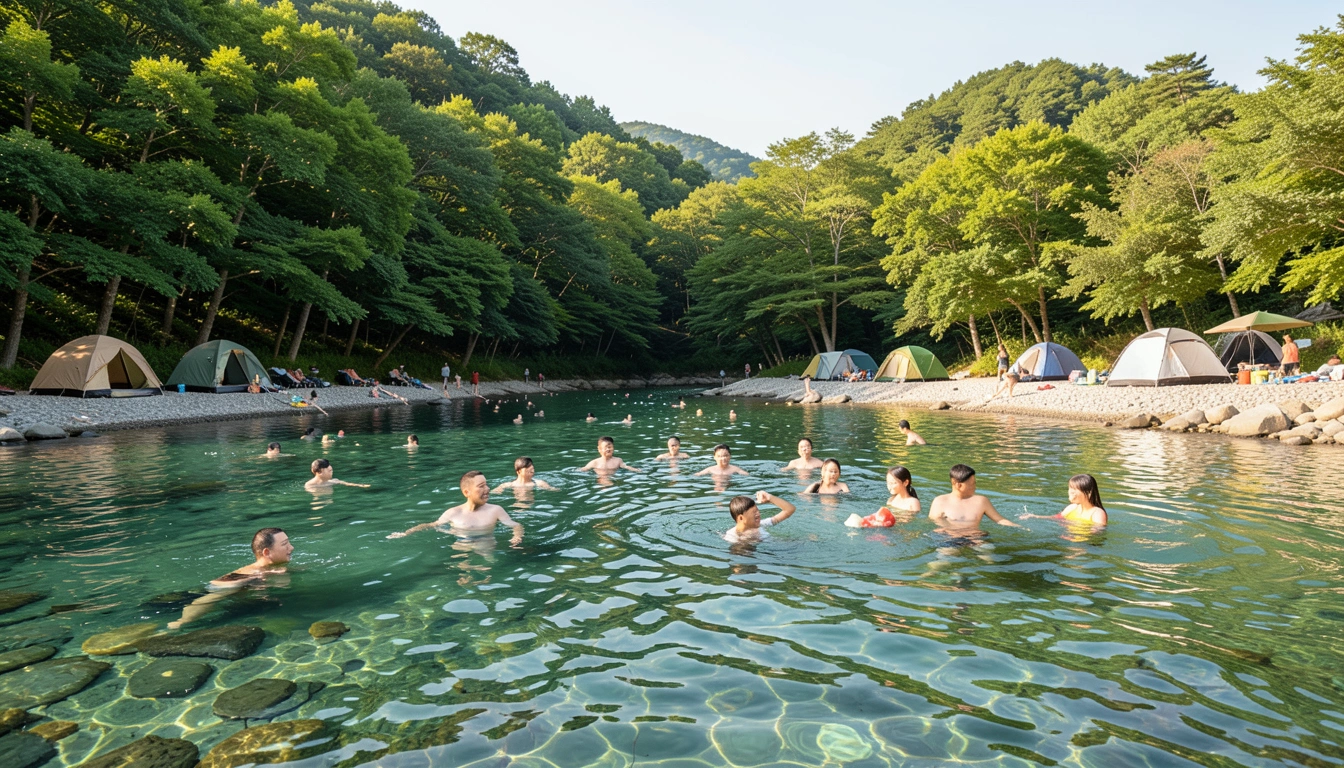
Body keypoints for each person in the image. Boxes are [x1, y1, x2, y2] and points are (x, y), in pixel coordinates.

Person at [169, 528, 294, 628]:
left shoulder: (266, 571)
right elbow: (210, 598)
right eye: (285, 544)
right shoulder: (246, 576)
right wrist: (182, 622)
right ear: (266, 552)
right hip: (190, 597)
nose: (291, 548)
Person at [388, 470, 523, 544]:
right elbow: (432, 525)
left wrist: (516, 537)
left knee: (487, 559)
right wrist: (406, 533)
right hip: (462, 544)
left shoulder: (496, 510)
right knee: (460, 562)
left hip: (486, 543)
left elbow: (515, 525)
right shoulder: (453, 513)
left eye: (486, 484)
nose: (487, 489)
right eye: (481, 486)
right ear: (466, 492)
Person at [928, 464, 1019, 538]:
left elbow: (1000, 520)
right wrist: (957, 533)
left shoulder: (982, 501)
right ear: (958, 485)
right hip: (950, 537)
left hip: (975, 537)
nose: (975, 487)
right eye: (972, 484)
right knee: (946, 557)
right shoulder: (940, 501)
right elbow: (934, 522)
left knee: (987, 555)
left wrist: (1020, 527)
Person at [1022, 473, 1107, 526]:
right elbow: (1056, 517)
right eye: (1070, 488)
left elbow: (1096, 533)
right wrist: (1035, 516)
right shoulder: (1072, 507)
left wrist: (1072, 524)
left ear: (1088, 493)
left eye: (1075, 489)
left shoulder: (1097, 513)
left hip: (1083, 545)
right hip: (1066, 539)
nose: (1071, 492)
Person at [723, 491, 796, 543]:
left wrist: (770, 498)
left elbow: (790, 510)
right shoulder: (732, 537)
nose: (758, 514)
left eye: (757, 511)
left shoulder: (762, 524)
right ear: (741, 518)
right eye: (754, 512)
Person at [305, 458, 370, 490]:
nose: (332, 472)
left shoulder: (333, 481)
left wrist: (360, 485)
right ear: (320, 472)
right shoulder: (309, 485)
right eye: (329, 471)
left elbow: (347, 483)